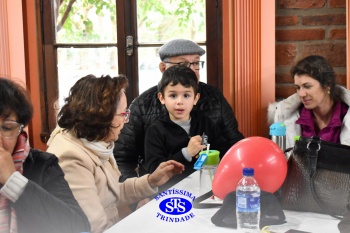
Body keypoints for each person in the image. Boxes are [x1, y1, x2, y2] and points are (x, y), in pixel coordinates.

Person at [46, 74, 184, 233]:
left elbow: (111, 193)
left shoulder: (95, 140)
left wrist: (151, 181)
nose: (126, 121)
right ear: (102, 116)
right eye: (123, 114)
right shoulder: (70, 157)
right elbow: (95, 227)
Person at [115, 38, 244, 181]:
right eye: (182, 64)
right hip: (159, 189)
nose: (192, 70)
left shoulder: (214, 98)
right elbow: (122, 158)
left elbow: (233, 145)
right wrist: (138, 196)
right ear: (163, 68)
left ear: (195, 98)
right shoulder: (142, 105)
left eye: (196, 63)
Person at [0, 77, 90, 233]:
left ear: (20, 129)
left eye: (7, 128)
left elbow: (77, 227)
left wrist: (13, 181)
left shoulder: (42, 165)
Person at [145, 65, 234, 190]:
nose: (179, 102)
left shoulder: (205, 123)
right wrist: (187, 153)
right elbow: (155, 171)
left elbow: (223, 150)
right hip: (172, 194)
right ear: (162, 98)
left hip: (206, 187)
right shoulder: (155, 131)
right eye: (173, 95)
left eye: (186, 95)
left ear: (195, 98)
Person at [268, 55, 350, 148]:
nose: (301, 94)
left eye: (307, 86)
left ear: (328, 84)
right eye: (298, 88)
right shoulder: (289, 118)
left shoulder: (345, 115)